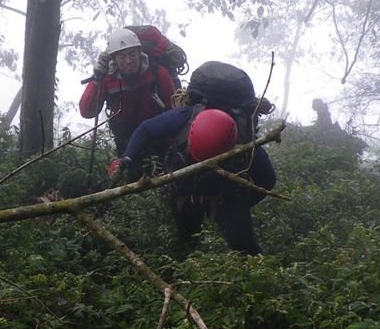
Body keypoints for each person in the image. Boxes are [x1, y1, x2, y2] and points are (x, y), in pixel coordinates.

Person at [108, 101, 277, 257]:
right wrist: (127, 157)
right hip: (185, 191)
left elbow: (267, 180)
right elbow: (146, 129)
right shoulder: (182, 118)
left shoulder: (245, 141)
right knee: (186, 239)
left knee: (244, 246)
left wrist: (239, 204)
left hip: (226, 194)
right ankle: (185, 258)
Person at [80, 28, 178, 155]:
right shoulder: (107, 79)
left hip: (159, 142)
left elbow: (173, 110)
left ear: (139, 53)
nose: (128, 61)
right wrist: (96, 80)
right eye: (122, 57)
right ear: (113, 59)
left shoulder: (157, 73)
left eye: (132, 54)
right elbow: (87, 112)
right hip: (126, 144)